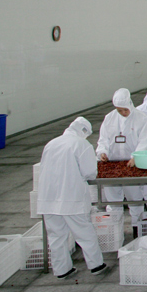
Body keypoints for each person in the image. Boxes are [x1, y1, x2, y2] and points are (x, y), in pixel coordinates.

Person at [36, 117, 106, 279]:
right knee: (84, 233)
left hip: (48, 198)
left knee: (56, 236)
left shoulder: (51, 143)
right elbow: (89, 172)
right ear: (84, 131)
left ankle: (62, 270)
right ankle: (96, 265)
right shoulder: (81, 144)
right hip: (71, 198)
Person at [95, 88, 147, 232]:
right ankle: (115, 231)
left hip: (131, 165)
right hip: (112, 165)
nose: (123, 113)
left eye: (125, 110)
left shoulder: (141, 118)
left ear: (130, 104)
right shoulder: (109, 118)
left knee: (135, 199)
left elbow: (144, 141)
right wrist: (102, 152)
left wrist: (135, 156)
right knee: (113, 202)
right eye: (119, 110)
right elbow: (103, 139)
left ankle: (137, 229)